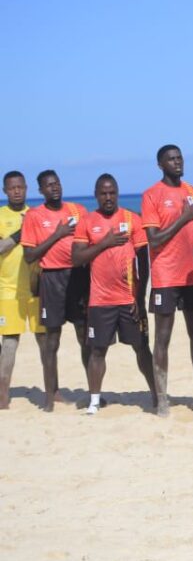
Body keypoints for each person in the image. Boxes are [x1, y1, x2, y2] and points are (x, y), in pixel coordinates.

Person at [72, 174, 155, 415]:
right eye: (103, 193)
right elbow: (77, 258)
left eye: (112, 193)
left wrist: (139, 298)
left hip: (129, 300)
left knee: (141, 348)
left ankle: (155, 395)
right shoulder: (87, 222)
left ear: (117, 193)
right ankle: (94, 401)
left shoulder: (131, 219)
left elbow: (143, 261)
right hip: (100, 301)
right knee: (97, 350)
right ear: (96, 195)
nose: (108, 197)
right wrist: (104, 242)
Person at [141, 144, 193, 416]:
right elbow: (154, 239)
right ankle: (162, 400)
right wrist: (183, 218)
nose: (177, 162)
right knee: (163, 337)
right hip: (166, 276)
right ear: (160, 165)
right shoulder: (151, 195)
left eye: (179, 157)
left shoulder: (192, 191)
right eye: (171, 159)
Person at [21, 170, 89, 411]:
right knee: (52, 340)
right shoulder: (34, 216)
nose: (54, 188)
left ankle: (93, 393)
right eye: (49, 185)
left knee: (85, 337)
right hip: (51, 279)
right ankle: (51, 395)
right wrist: (57, 235)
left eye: (57, 183)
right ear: (41, 190)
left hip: (78, 277)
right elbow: (29, 256)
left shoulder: (77, 210)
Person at [0, 171, 46, 409]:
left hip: (36, 288)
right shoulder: (1, 216)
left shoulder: (36, 214)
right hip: (8, 289)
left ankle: (52, 391)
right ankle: (2, 393)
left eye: (20, 187)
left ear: (27, 188)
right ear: (5, 191)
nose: (16, 191)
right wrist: (21, 232)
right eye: (11, 188)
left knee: (45, 340)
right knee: (9, 342)